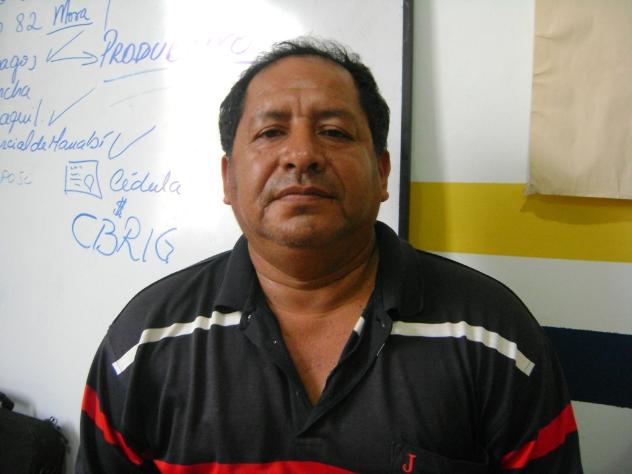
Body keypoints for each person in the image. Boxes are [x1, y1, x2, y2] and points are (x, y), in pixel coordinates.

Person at [76, 38, 582, 473]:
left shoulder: (494, 337)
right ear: (228, 179)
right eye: (271, 132)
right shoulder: (145, 341)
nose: (301, 155)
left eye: (335, 132)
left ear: (381, 173)